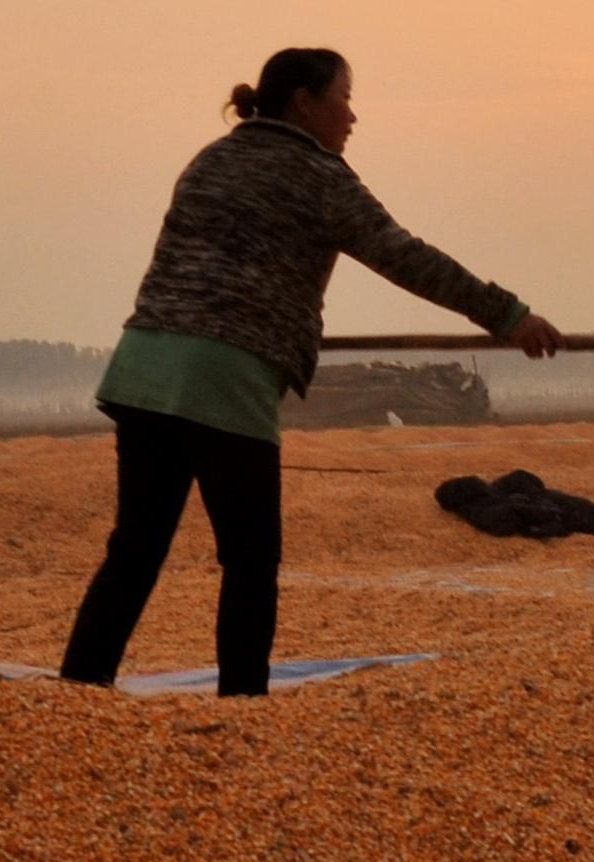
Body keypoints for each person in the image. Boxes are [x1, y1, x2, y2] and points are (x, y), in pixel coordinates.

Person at [60, 48, 560, 692]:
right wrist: (507, 314)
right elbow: (405, 257)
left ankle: (78, 694)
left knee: (135, 550)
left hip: (146, 367)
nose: (353, 116)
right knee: (250, 560)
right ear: (304, 101)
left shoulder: (211, 160)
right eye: (343, 98)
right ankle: (242, 707)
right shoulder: (319, 176)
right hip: (225, 375)